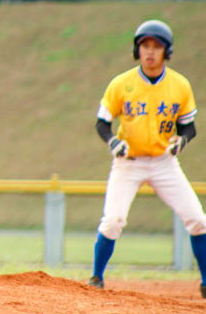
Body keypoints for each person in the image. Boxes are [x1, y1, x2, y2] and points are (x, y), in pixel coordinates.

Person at [88, 19, 206, 298]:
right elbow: (102, 123)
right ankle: (96, 278)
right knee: (113, 220)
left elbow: (188, 125)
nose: (150, 52)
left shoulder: (179, 85)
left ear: (167, 52)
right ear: (137, 50)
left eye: (156, 46)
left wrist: (182, 139)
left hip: (165, 164)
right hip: (128, 163)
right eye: (145, 46)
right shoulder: (122, 84)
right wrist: (113, 140)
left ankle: (205, 283)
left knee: (198, 220)